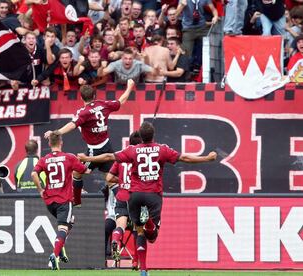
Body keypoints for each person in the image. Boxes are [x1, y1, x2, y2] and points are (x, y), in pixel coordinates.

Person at [78, 121, 217, 276]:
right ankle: (149, 223)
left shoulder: (132, 150)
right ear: (153, 135)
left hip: (135, 196)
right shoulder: (162, 149)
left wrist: (86, 157)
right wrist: (207, 158)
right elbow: (185, 158)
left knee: (139, 231)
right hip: (153, 195)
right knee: (152, 236)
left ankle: (143, 270)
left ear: (142, 137)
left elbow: (109, 156)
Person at [43, 79, 135, 207]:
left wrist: (56, 132)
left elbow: (72, 125)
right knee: (111, 178)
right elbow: (121, 101)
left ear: (81, 97)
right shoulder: (104, 104)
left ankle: (77, 201)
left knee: (76, 173)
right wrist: (130, 87)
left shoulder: (83, 112)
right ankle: (126, 203)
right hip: (107, 146)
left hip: (94, 150)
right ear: (94, 95)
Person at [31, 132, 91, 270]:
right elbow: (86, 171)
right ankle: (55, 254)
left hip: (50, 202)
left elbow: (34, 174)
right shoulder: (69, 157)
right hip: (64, 200)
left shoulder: (44, 159)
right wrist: (87, 159)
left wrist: (40, 189)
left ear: (49, 144)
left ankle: (60, 245)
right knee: (63, 228)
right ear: (61, 143)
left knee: (71, 220)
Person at [107, 131, 142, 268]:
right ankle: (135, 262)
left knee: (120, 226)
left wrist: (121, 182)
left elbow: (109, 179)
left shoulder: (121, 157)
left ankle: (116, 240)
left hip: (121, 197)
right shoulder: (141, 157)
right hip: (135, 197)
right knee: (138, 230)